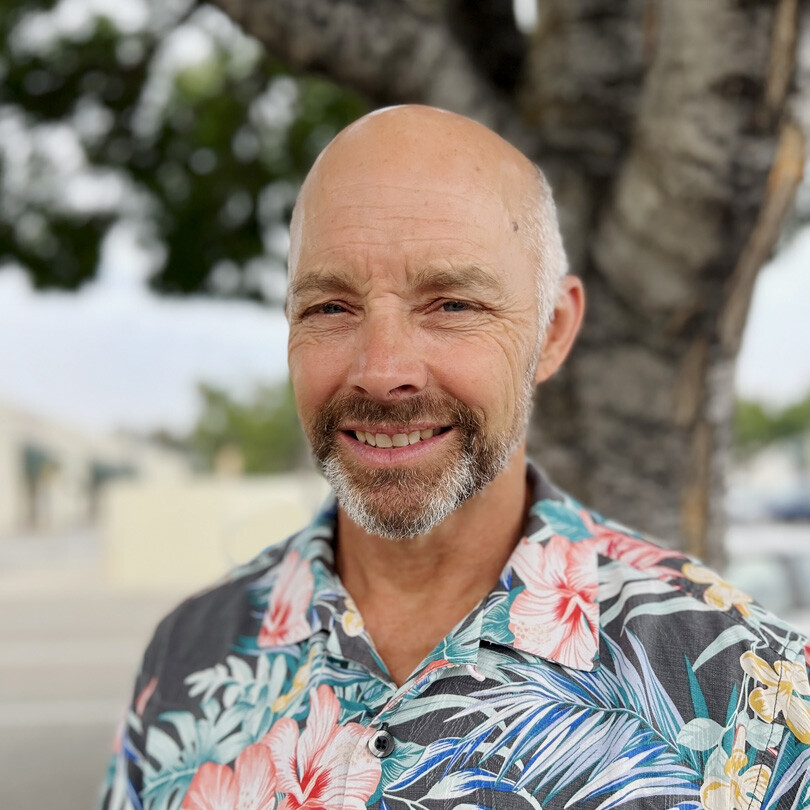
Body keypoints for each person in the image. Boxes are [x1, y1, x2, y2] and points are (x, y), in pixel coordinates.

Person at [101, 106, 810, 810]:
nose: (382, 371)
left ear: (553, 332)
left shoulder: (749, 688)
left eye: (451, 305)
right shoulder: (188, 657)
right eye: (330, 308)